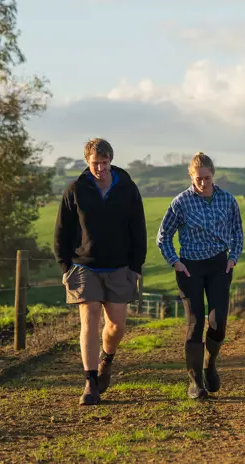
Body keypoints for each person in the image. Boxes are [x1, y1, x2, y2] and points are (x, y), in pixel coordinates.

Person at [53, 138, 146, 406]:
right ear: (87, 162)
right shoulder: (76, 190)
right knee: (90, 317)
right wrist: (65, 266)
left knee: (116, 326)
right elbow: (62, 230)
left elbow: (137, 228)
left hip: (119, 266)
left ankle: (107, 359)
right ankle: (90, 382)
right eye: (95, 163)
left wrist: (136, 266)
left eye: (104, 163)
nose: (100, 168)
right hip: (84, 266)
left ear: (111, 161)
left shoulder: (127, 188)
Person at [157, 152, 244, 400]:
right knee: (195, 323)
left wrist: (233, 257)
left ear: (213, 175)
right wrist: (175, 262)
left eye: (206, 178)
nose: (203, 183)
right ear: (191, 176)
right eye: (198, 179)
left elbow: (237, 231)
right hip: (190, 268)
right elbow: (163, 236)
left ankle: (210, 364)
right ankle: (195, 382)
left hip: (219, 265)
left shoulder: (227, 200)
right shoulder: (180, 202)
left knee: (218, 324)